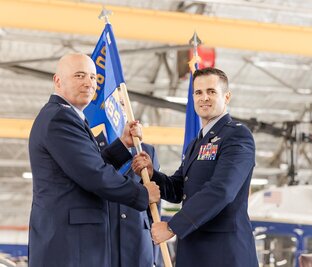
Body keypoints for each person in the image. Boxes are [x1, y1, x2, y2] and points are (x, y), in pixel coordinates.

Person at [28, 53, 160, 267]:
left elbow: (88, 164)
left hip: (73, 242)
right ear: (58, 81)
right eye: (79, 75)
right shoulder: (60, 119)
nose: (89, 83)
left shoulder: (67, 117)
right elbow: (93, 174)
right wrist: (142, 194)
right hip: (70, 244)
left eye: (92, 77)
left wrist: (123, 145)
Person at [133, 67, 258, 267]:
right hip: (194, 249)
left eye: (211, 91)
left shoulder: (237, 135)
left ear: (226, 97)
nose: (204, 98)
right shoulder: (196, 143)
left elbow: (221, 190)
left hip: (223, 253)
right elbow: (179, 189)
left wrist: (173, 227)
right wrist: (152, 174)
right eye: (198, 92)